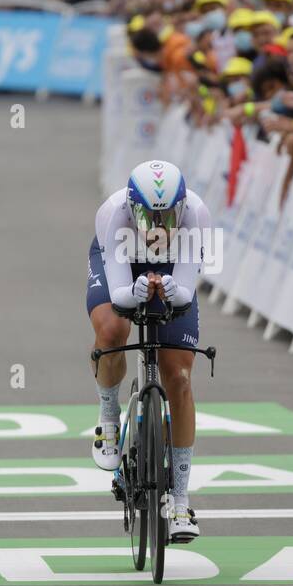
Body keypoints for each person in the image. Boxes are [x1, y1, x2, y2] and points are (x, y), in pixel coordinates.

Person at [87, 160, 211, 542]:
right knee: (113, 328)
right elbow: (121, 289)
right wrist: (134, 293)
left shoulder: (197, 214)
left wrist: (175, 291)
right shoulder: (114, 215)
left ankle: (179, 500)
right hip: (124, 260)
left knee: (180, 377)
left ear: (182, 206)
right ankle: (109, 418)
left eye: (167, 213)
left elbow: (188, 288)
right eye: (149, 213)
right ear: (132, 206)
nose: (159, 223)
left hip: (173, 265)